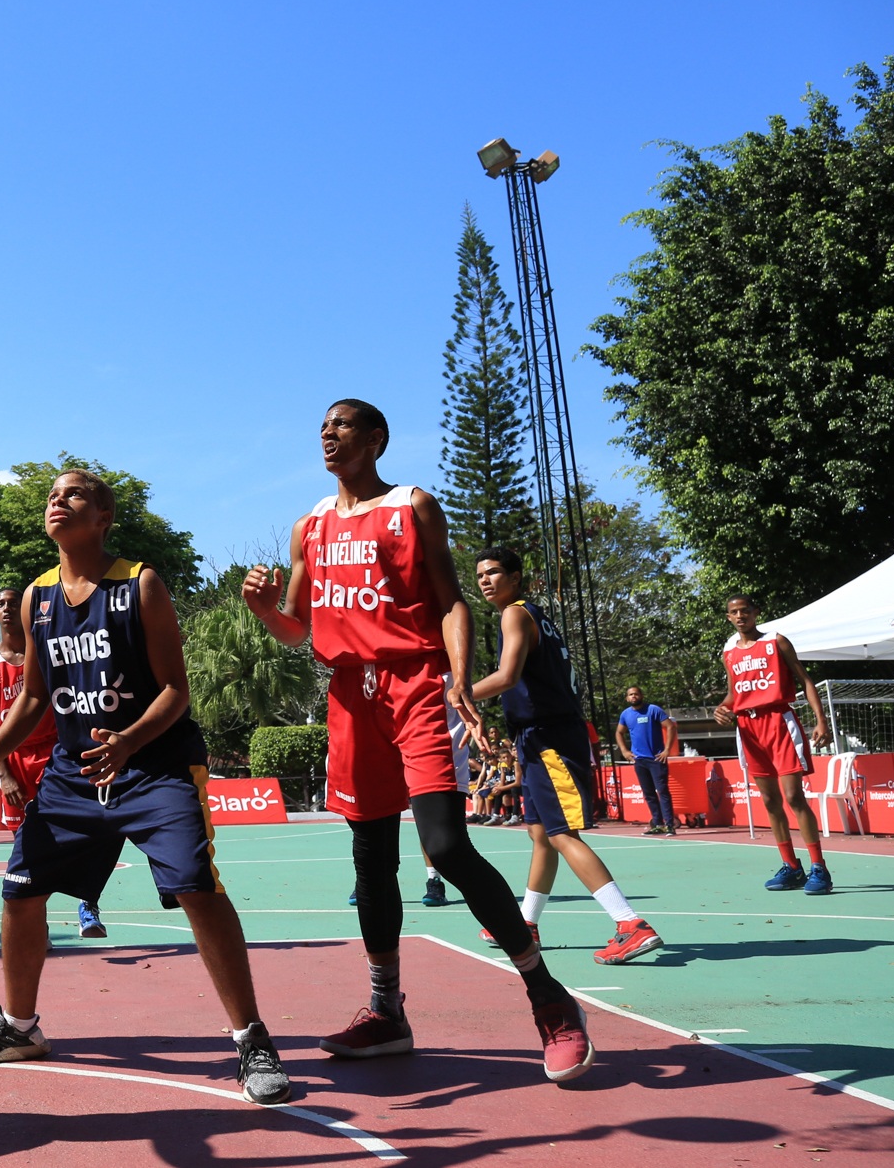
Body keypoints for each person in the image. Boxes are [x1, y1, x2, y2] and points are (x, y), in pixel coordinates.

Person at [242, 399, 593, 1082]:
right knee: (370, 857)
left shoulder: (412, 506)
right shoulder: (308, 525)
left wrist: (458, 676)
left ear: (375, 439)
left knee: (445, 843)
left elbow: (450, 601)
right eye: (322, 425)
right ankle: (386, 1011)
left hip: (414, 686)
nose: (327, 432)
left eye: (343, 424)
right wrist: (263, 609)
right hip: (349, 696)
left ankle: (549, 999)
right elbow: (298, 628)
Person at [0, 470, 291, 1104]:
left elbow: (175, 691)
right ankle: (19, 1027)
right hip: (74, 773)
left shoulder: (140, 584)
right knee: (20, 892)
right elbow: (31, 698)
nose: (58, 501)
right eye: (52, 495)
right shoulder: (37, 598)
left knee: (196, 886)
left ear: (104, 516)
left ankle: (252, 1040)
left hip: (153, 766)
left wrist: (129, 740)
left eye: (75, 494)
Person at [468, 548, 664, 965]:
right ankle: (526, 923)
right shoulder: (533, 615)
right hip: (539, 736)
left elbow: (508, 677)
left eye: (495, 572)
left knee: (560, 833)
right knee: (540, 834)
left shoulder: (515, 614)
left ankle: (630, 923)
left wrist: (457, 695)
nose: (485, 580)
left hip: (550, 737)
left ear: (516, 577)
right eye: (480, 574)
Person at [0, 587, 109, 939]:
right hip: (14, 760)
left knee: (80, 832)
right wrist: (2, 772)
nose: (6, 608)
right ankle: (38, 922)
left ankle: (87, 903)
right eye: (0, 603)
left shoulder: (46, 652)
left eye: (13, 603)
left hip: (54, 753)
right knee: (28, 845)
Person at [715, 596, 833, 894]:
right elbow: (733, 693)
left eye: (745, 611)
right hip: (748, 728)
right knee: (769, 801)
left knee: (794, 796)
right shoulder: (728, 651)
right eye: (734, 612)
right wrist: (723, 708)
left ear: (756, 613)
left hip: (778, 722)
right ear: (728, 617)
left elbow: (805, 680)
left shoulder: (776, 641)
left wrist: (821, 720)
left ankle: (819, 868)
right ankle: (792, 867)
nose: (740, 616)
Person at [616, 686, 679, 835]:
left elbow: (670, 727)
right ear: (627, 698)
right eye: (631, 695)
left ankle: (669, 824)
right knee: (648, 793)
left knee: (662, 791)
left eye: (636, 694)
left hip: (656, 758)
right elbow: (619, 732)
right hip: (639, 760)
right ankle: (657, 824)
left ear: (641, 695)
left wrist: (666, 750)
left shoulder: (653, 710)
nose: (634, 697)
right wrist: (625, 751)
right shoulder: (625, 714)